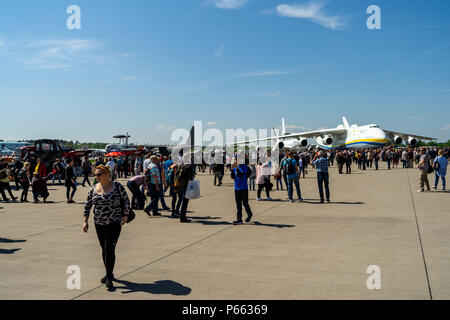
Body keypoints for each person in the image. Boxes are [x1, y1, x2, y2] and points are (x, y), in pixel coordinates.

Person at [83, 164, 130, 291]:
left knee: (109, 248)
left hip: (114, 223)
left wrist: (125, 214)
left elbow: (126, 200)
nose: (96, 177)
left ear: (106, 174)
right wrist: (85, 221)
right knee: (103, 249)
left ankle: (109, 277)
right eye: (95, 174)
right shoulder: (93, 189)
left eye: (99, 174)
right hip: (99, 223)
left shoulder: (117, 186)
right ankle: (109, 272)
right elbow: (88, 205)